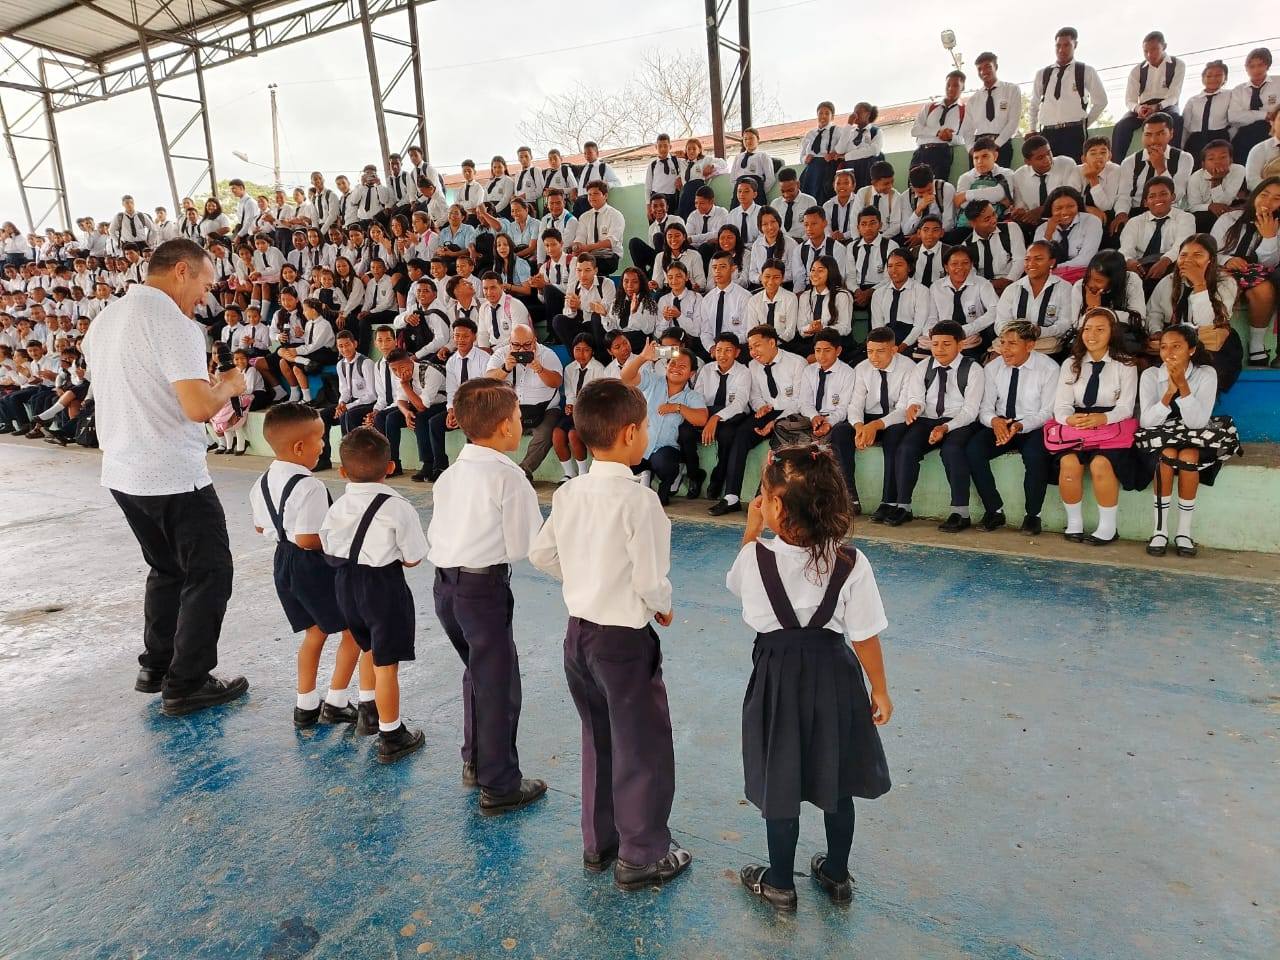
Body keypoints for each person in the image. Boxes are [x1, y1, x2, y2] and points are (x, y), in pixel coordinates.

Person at [528, 378, 692, 891]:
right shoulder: (640, 501)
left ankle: (600, 843)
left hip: (578, 636)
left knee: (597, 736)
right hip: (623, 641)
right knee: (641, 744)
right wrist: (662, 606)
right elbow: (649, 579)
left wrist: (582, 579)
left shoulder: (570, 491)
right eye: (643, 428)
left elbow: (541, 554)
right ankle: (642, 855)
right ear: (629, 434)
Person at [80, 238, 248, 714]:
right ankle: (188, 682)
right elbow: (198, 408)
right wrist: (227, 386)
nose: (205, 296)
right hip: (172, 471)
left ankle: (156, 665)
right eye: (205, 284)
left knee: (166, 567)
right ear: (181, 271)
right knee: (209, 572)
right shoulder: (173, 323)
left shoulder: (106, 318)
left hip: (123, 469)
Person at [729, 444, 891, 912]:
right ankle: (836, 875)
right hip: (836, 679)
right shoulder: (851, 562)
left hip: (777, 682)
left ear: (776, 507)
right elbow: (865, 635)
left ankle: (780, 884)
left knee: (780, 778)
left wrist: (751, 531)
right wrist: (879, 689)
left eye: (764, 496)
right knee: (837, 778)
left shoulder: (755, 559)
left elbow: (739, 587)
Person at [426, 378, 548, 812]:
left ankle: (476, 761)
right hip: (483, 591)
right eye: (517, 417)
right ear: (504, 427)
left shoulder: (450, 474)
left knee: (477, 673)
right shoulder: (508, 477)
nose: (520, 423)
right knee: (499, 685)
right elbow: (525, 546)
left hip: (445, 588)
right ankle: (499, 786)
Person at [249, 403, 370, 729]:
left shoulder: (262, 481)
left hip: (283, 562)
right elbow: (307, 538)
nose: (323, 445)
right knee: (355, 630)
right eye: (320, 438)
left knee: (314, 632)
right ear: (300, 447)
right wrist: (343, 540)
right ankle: (337, 701)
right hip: (312, 566)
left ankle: (305, 705)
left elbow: (261, 526)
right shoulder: (309, 486)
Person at [319, 427, 427, 763]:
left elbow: (327, 545)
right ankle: (392, 735)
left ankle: (368, 709)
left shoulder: (338, 506)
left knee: (367, 645)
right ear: (390, 467)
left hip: (344, 585)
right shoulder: (398, 507)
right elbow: (413, 557)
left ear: (342, 471)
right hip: (383, 587)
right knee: (387, 664)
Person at [1135, 325, 1242, 557]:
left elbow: (1197, 422)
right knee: (1167, 456)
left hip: (1196, 438)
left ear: (1191, 349)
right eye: (1164, 347)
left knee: (1188, 456)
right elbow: (1147, 422)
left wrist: (1183, 386)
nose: (1169, 353)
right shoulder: (1151, 375)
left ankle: (1184, 532)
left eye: (1177, 346)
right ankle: (1160, 531)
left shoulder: (1206, 374)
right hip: (1162, 439)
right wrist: (1167, 393)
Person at [1052, 307, 1144, 545]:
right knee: (1068, 463)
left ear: (1112, 332)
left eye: (1100, 329)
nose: (1092, 335)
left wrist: (1103, 419)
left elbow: (1126, 407)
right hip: (1079, 424)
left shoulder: (1125, 364)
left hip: (1111, 426)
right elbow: (1061, 405)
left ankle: (1108, 527)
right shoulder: (1071, 364)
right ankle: (1074, 523)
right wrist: (1069, 419)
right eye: (1087, 329)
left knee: (1100, 464)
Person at [964, 322, 1058, 535]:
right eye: (1002, 343)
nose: (1005, 349)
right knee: (974, 450)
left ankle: (1033, 515)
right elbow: (985, 408)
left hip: (1032, 424)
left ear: (1030, 345)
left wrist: (1021, 425)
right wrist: (994, 421)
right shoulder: (993, 368)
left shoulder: (1049, 368)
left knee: (1035, 456)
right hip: (1001, 424)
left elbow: (1048, 412)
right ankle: (994, 510)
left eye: (1012, 344)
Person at [711, 324, 809, 515]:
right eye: (750, 348)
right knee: (741, 435)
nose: (753, 352)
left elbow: (799, 400)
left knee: (780, 435)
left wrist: (776, 421)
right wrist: (760, 407)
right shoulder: (752, 366)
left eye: (757, 346)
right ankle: (731, 496)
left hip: (791, 413)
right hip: (766, 412)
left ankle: (764, 498)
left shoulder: (797, 363)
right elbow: (754, 395)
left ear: (772, 343)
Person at [771, 328, 858, 503]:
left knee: (838, 435)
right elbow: (804, 403)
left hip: (835, 420)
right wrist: (814, 417)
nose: (821, 356)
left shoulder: (848, 373)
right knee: (780, 426)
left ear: (838, 351)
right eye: (818, 350)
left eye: (827, 350)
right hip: (811, 419)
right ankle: (776, 491)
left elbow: (843, 409)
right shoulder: (809, 371)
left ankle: (849, 498)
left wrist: (828, 422)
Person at [1146, 234, 1243, 389]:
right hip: (1176, 344)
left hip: (1210, 346)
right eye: (1183, 255)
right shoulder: (1168, 281)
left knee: (1203, 374)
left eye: (1197, 255)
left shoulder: (1226, 282)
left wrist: (1199, 284)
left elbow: (1207, 323)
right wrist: (1156, 331)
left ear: (1211, 260)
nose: (1189, 261)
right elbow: (1154, 312)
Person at [620, 339, 708, 504]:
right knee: (621, 469)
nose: (676, 368)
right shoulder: (653, 380)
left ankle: (665, 488)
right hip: (639, 445)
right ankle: (644, 476)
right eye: (672, 363)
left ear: (691, 373)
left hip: (665, 449)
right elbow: (626, 378)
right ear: (666, 366)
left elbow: (701, 419)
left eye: (683, 366)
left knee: (666, 465)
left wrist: (677, 407)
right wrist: (643, 357)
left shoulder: (691, 396)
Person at [1212, 176, 1280, 366]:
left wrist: (1269, 238)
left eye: (1276, 198)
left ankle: (1257, 346)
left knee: (1264, 290)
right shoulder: (1230, 218)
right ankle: (1217, 341)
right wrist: (1227, 260)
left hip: (1257, 275)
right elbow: (1210, 250)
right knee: (1225, 284)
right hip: (1223, 269)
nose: (1268, 201)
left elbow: (1270, 265)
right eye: (1264, 194)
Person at [484, 323, 564, 482]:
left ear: (534, 340)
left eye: (527, 345)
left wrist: (540, 369)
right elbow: (488, 380)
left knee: (545, 432)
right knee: (489, 428)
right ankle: (492, 470)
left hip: (545, 408)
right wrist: (505, 368)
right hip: (512, 409)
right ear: (510, 342)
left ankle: (523, 471)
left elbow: (557, 382)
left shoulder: (547, 354)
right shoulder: (501, 353)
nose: (521, 350)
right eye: (516, 345)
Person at [851, 326, 915, 522]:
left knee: (894, 437)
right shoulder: (862, 368)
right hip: (869, 418)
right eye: (870, 351)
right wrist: (859, 427)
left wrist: (875, 425)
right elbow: (855, 405)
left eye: (880, 351)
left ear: (894, 350)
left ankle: (889, 501)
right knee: (840, 433)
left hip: (894, 418)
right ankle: (850, 498)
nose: (874, 357)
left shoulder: (909, 367)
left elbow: (903, 409)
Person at [681, 332, 750, 501]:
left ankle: (718, 478)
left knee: (727, 435)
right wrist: (704, 417)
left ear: (737, 352)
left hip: (732, 414)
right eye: (719, 350)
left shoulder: (744, 372)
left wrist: (715, 418)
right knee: (684, 431)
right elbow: (697, 398)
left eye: (728, 350)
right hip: (707, 411)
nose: (722, 355)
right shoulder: (707, 369)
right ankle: (695, 475)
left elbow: (739, 404)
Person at [1029, 26, 1108, 160]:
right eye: (1058, 46)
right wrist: (1032, 128)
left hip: (1074, 133)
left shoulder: (1085, 71)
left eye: (1066, 45)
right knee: (1049, 170)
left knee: (1075, 169)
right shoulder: (1043, 74)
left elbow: (1101, 101)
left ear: (1075, 45)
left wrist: (1084, 123)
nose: (1061, 50)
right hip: (1048, 133)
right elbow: (1034, 103)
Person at [372, 346, 445, 481]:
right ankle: (393, 463)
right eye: (394, 370)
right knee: (386, 417)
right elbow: (400, 400)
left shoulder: (429, 371)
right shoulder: (400, 374)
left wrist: (405, 385)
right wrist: (406, 413)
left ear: (410, 361)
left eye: (402, 367)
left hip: (441, 404)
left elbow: (422, 407)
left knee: (420, 418)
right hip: (418, 403)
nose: (399, 372)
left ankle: (429, 463)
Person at [1112, 32, 1186, 158]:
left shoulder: (1177, 65)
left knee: (1176, 119)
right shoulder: (1137, 70)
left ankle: (1173, 160)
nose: (1149, 55)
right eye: (1145, 51)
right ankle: (1116, 163)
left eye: (1154, 49)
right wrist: (1139, 108)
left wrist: (1157, 107)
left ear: (1164, 47)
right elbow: (1129, 100)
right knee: (1121, 125)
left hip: (1166, 105)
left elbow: (1174, 96)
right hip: (1143, 108)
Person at [1118, 177, 1196, 295]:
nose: (1158, 199)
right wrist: (1129, 261)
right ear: (1145, 202)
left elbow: (1182, 246)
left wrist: (1165, 261)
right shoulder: (1135, 222)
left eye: (1163, 194)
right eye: (1152, 196)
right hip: (1140, 268)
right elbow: (1125, 249)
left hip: (1170, 267)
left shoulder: (1186, 218)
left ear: (1173, 197)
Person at [994, 241, 1075, 352]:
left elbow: (1065, 324)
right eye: (1027, 259)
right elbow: (1000, 322)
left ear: (1052, 262)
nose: (1031, 263)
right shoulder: (1012, 289)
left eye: (1038, 259)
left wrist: (1040, 331)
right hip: (1013, 346)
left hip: (1047, 348)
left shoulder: (1065, 288)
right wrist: (1015, 335)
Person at [1112, 113, 1192, 219]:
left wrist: (1160, 168)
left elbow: (1177, 195)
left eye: (1160, 134)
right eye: (1148, 135)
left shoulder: (1184, 158)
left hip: (1169, 213)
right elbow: (1124, 195)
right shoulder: (1130, 162)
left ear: (1171, 134)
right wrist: (1121, 213)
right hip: (1137, 213)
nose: (1153, 140)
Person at [426, 317, 480, 473]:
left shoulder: (484, 359)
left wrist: (465, 412)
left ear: (474, 336)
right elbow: (452, 391)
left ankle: (472, 468)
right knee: (434, 423)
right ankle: (440, 467)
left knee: (471, 422)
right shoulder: (452, 361)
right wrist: (451, 411)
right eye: (457, 336)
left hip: (478, 407)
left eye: (465, 336)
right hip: (459, 407)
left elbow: (485, 392)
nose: (460, 340)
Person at [555, 333, 605, 481]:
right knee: (557, 434)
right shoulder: (569, 369)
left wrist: (581, 408)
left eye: (586, 350)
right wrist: (569, 405)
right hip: (575, 411)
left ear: (592, 351)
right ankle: (569, 473)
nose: (581, 354)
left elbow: (598, 397)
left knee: (573, 434)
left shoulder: (599, 369)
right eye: (578, 349)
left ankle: (583, 473)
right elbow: (570, 393)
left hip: (590, 413)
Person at [960, 52, 1022, 168]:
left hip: (1001, 146)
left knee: (1001, 178)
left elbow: (1013, 122)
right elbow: (967, 129)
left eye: (987, 66)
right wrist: (971, 149)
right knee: (977, 180)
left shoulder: (1011, 90)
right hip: (978, 148)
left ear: (996, 67)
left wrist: (995, 145)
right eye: (979, 69)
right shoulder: (973, 99)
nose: (983, 72)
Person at [870, 249, 934, 352]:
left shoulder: (921, 291)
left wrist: (902, 346)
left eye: (899, 265)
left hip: (911, 341)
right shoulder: (878, 293)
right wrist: (884, 347)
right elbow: (877, 327)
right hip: (885, 340)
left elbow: (919, 326)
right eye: (890, 266)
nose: (894, 270)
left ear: (909, 267)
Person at [910, 70, 965, 182]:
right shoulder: (929, 107)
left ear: (963, 88)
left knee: (937, 188)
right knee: (914, 188)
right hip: (921, 152)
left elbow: (963, 139)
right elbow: (914, 130)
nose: (950, 88)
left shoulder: (964, 111)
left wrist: (950, 137)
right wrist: (937, 132)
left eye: (955, 85)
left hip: (942, 154)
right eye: (948, 85)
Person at [1228, 47, 1277, 164]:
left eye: (1260, 65)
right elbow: (1234, 117)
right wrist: (1265, 115)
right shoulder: (1239, 90)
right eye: (1252, 66)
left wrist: (1248, 114)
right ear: (1246, 68)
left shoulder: (1278, 83)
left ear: (1267, 65)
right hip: (1245, 138)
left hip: (1274, 133)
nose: (1256, 70)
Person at [1185, 140, 1246, 233]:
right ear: (1203, 165)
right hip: (1204, 217)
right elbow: (1193, 207)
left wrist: (1216, 182)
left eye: (1223, 157)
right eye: (1211, 159)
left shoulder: (1238, 170)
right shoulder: (1195, 178)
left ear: (1231, 160)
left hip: (1230, 209)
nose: (1217, 162)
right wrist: (1209, 206)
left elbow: (1225, 203)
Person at [571, 181, 625, 275]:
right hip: (589, 255)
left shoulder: (615, 215)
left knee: (592, 264)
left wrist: (587, 248)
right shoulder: (584, 217)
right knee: (571, 262)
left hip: (609, 256)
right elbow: (580, 237)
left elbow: (610, 242)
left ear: (605, 196)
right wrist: (576, 247)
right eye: (589, 194)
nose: (592, 197)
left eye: (596, 194)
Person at [800, 101, 842, 205]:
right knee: (809, 199)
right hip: (811, 171)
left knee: (825, 199)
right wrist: (805, 159)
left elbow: (844, 149)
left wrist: (834, 154)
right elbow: (801, 156)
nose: (823, 116)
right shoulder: (810, 134)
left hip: (828, 169)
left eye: (827, 113)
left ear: (832, 117)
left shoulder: (837, 131)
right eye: (820, 113)